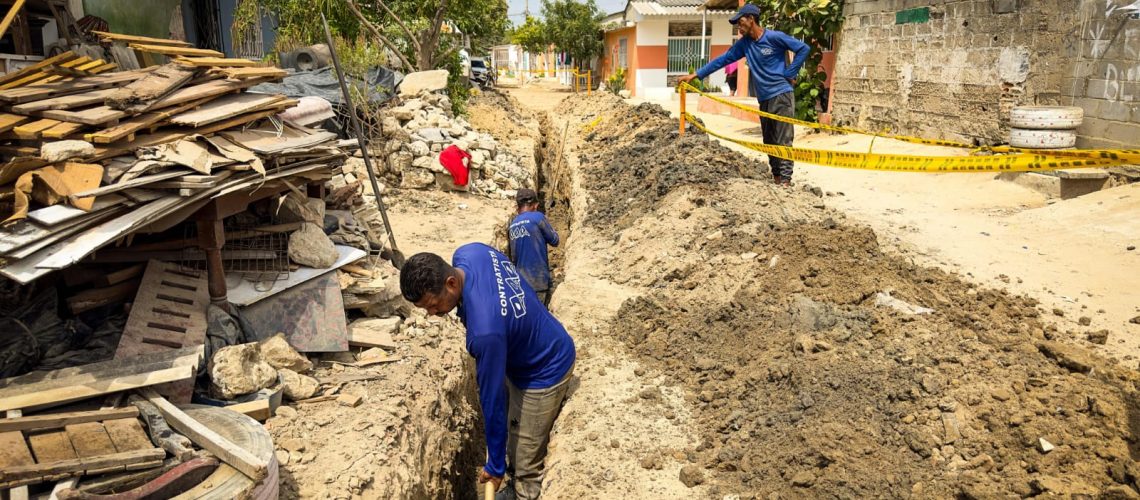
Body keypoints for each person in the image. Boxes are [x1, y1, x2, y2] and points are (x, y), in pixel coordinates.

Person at [399, 246, 576, 500]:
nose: (432, 314)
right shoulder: (470, 253)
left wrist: (494, 466)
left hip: (546, 369)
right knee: (511, 429)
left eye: (434, 305)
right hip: (534, 341)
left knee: (526, 458)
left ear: (451, 283)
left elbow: (492, 400)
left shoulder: (485, 333)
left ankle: (524, 492)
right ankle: (510, 470)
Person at [679, 3, 809, 186]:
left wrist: (791, 72)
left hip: (782, 95)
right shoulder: (744, 45)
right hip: (764, 98)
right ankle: (777, 178)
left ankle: (786, 181)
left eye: (740, 23)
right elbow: (722, 60)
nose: (738, 28)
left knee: (783, 139)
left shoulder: (774, 37)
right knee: (769, 140)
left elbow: (803, 48)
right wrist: (696, 75)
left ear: (751, 19)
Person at [507, 188, 560, 306]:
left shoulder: (512, 225)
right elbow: (555, 241)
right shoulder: (538, 217)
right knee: (540, 313)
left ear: (518, 206)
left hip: (520, 283)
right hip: (538, 281)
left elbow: (513, 257)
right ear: (535, 205)